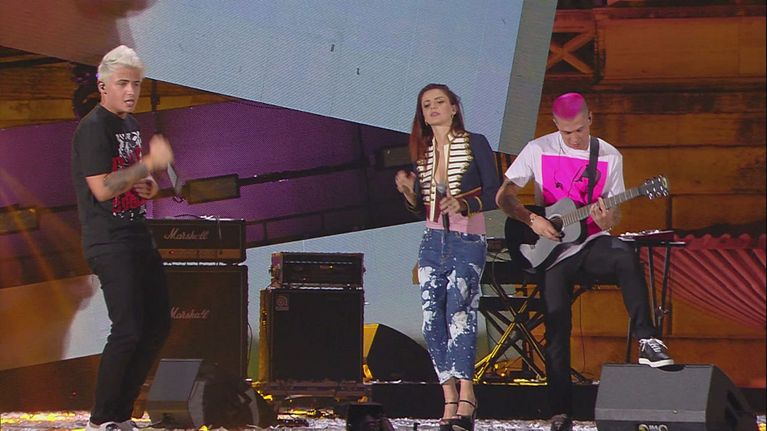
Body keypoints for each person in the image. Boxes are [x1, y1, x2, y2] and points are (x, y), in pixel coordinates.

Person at [495, 92, 674, 431]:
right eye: (566, 132)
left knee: (624, 254)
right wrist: (532, 220)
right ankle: (560, 412)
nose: (575, 138)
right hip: (552, 248)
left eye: (580, 130)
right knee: (557, 326)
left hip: (591, 243)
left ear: (590, 119)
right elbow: (503, 195)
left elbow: (613, 215)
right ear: (555, 125)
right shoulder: (538, 149)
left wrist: (608, 219)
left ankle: (647, 339)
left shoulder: (608, 156)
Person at [71, 45, 174, 431]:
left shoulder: (130, 125)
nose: (131, 92)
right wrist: (148, 164)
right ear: (103, 86)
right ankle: (102, 419)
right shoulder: (93, 128)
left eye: (136, 84)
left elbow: (127, 180)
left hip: (136, 234)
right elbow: (102, 188)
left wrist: (148, 185)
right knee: (128, 327)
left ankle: (121, 415)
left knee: (158, 324)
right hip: (109, 240)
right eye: (122, 84)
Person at [395, 83, 499, 431]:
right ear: (422, 115)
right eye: (427, 105)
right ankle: (448, 395)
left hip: (467, 239)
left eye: (440, 102)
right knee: (431, 320)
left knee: (460, 313)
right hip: (432, 241)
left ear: (454, 108)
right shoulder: (423, 154)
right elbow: (420, 208)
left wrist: (466, 203)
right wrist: (409, 193)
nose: (433, 108)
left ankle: (467, 394)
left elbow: (495, 192)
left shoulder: (476, 143)